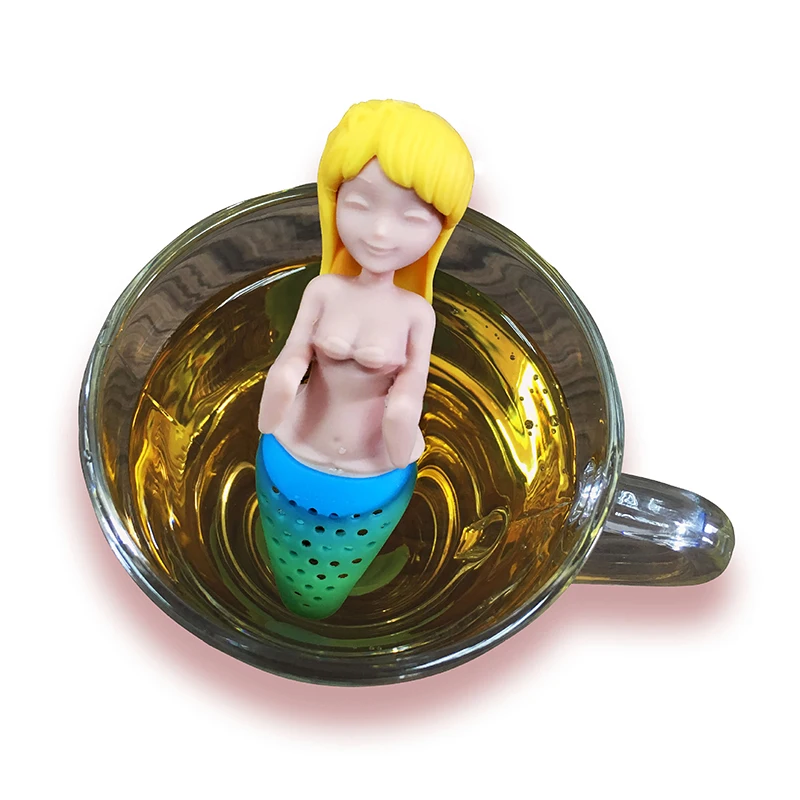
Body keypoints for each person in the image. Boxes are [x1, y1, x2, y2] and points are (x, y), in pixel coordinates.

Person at [255, 100, 473, 618]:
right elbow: (293, 355)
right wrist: (276, 397)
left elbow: (413, 384)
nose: (380, 233)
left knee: (329, 579)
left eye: (411, 217)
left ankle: (331, 605)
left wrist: (403, 426)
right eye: (359, 205)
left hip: (374, 472)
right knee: (293, 572)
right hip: (292, 450)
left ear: (440, 229)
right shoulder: (323, 290)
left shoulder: (416, 314)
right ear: (332, 202)